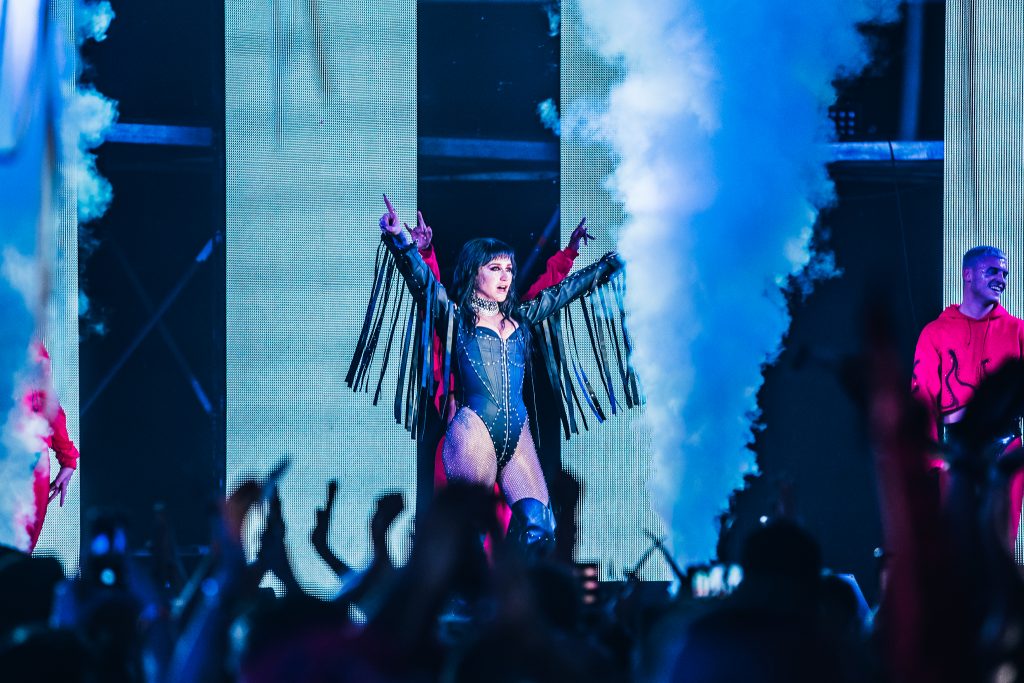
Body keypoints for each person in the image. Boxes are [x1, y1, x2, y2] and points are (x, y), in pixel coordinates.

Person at [359, 195, 627, 556]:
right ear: (475, 272)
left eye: (509, 269)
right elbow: (423, 283)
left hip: (517, 433)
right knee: (470, 531)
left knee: (541, 528)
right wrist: (401, 242)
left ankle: (519, 589)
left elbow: (564, 291)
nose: (505, 276)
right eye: (495, 268)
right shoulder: (455, 317)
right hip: (474, 430)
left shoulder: (522, 317)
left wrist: (612, 262)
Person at [911, 245, 1024, 543]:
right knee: (958, 546)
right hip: (957, 452)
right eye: (993, 271)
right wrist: (931, 462)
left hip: (1006, 447)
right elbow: (922, 400)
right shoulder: (935, 333)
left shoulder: (1018, 331)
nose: (1001, 279)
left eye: (1005, 274)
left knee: (999, 543)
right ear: (968, 275)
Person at [25, 342, 79, 553]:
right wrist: (68, 459)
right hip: (29, 459)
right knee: (16, 554)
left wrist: (68, 457)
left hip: (28, 458)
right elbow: (49, 406)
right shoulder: (30, 347)